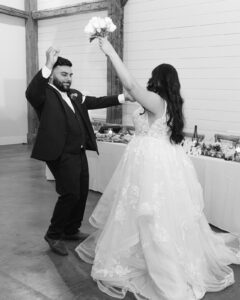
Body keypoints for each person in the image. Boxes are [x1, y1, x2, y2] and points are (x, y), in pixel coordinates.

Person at [76, 38, 240, 300]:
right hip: (154, 159)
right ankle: (143, 250)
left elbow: (130, 83)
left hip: (150, 163)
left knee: (151, 214)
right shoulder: (166, 104)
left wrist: (109, 51)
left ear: (158, 80)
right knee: (147, 212)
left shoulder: (156, 101)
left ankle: (160, 264)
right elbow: (132, 94)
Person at [25, 47, 126, 256]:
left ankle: (71, 229)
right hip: (60, 153)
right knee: (70, 193)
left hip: (79, 151)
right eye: (64, 74)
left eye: (71, 75)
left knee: (81, 191)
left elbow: (95, 101)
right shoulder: (44, 95)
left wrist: (123, 98)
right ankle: (53, 234)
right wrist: (47, 64)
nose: (69, 78)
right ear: (52, 73)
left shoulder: (74, 94)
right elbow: (31, 92)